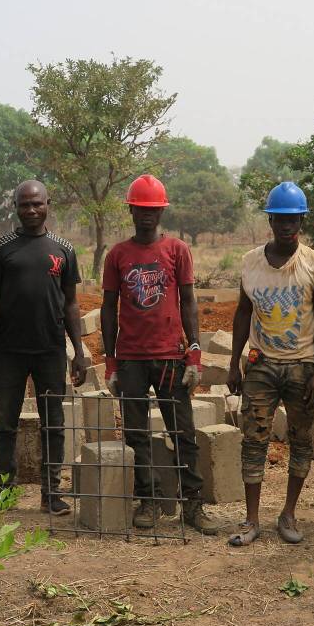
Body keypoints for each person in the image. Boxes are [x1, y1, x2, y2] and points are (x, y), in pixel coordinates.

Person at [100, 174, 218, 535]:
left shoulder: (177, 250)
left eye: (152, 210)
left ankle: (193, 504)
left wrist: (194, 350)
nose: (146, 216)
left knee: (182, 432)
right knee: (136, 433)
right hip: (132, 357)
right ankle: (148, 500)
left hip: (170, 356)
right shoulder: (118, 255)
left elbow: (189, 302)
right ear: (131, 210)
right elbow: (108, 308)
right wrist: (110, 361)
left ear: (161, 211)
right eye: (140, 209)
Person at [225, 182, 314, 547]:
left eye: (293, 218)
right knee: (253, 439)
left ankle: (288, 513)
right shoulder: (250, 262)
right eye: (280, 218)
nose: (286, 225)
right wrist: (232, 363)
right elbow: (242, 313)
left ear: (302, 219)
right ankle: (251, 519)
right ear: (270, 218)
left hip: (302, 365)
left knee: (301, 441)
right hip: (261, 365)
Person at [0, 180, 87, 516]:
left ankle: (51, 493)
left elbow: (71, 304)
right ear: (16, 207)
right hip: (8, 351)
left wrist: (78, 351)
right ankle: (5, 492)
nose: (31, 210)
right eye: (24, 205)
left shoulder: (64, 249)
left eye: (37, 204)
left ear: (48, 204)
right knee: (4, 424)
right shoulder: (1, 248)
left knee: (53, 423)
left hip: (50, 350)